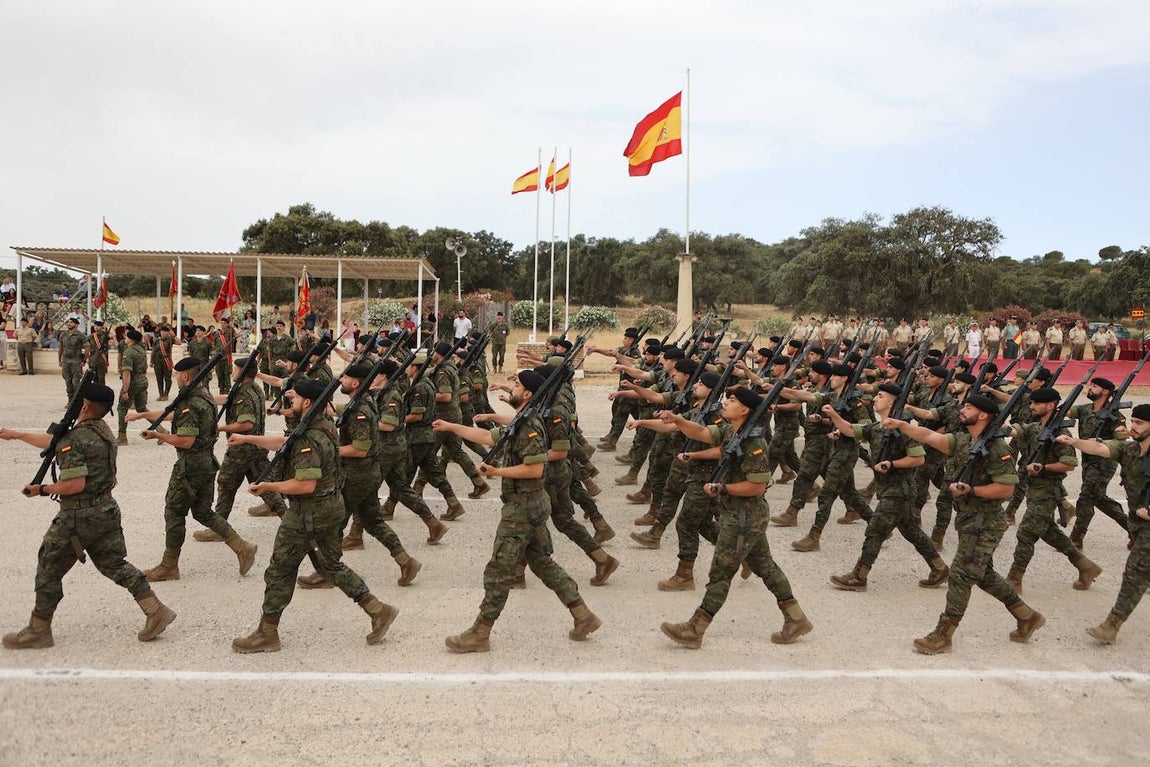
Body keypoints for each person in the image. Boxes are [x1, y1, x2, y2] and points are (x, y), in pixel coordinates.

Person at [434, 369, 601, 653]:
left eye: (517, 384)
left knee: (499, 568)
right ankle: (583, 615)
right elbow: (488, 437)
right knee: (542, 563)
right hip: (527, 503)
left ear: (527, 394)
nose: (512, 386)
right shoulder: (521, 421)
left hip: (523, 506)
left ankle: (480, 631)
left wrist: (496, 470)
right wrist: (452, 426)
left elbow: (534, 468)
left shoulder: (530, 425)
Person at [0, 382, 176, 649]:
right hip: (105, 511)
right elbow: (56, 442)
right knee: (115, 565)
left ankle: (38, 629)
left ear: (83, 406)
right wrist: (17, 435)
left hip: (79, 516)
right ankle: (156, 610)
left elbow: (74, 484)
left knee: (48, 567)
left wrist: (42, 489)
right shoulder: (101, 431)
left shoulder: (76, 439)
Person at [231, 378, 398, 652]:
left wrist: (268, 487)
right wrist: (249, 438)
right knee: (330, 566)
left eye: (295, 399)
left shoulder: (309, 437)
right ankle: (378, 610)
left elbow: (304, 483)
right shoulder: (322, 426)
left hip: (307, 513)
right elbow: (285, 443)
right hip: (331, 508)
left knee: (279, 570)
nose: (291, 403)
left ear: (307, 402)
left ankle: (267, 633)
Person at [884, 395, 1045, 654]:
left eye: (969, 408)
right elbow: (929, 436)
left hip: (986, 522)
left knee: (960, 574)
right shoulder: (963, 440)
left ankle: (943, 635)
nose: (963, 410)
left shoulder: (997, 449)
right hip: (968, 519)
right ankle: (1026, 616)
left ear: (983, 415)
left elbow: (1006, 489)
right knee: (982, 574)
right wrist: (901, 425)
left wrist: (972, 490)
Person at [660, 386, 813, 649]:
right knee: (765, 567)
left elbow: (757, 485)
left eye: (732, 400)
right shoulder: (734, 431)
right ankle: (796, 617)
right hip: (740, 513)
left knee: (721, 571)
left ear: (745, 409)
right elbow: (704, 433)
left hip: (744, 515)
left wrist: (722, 488)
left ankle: (696, 628)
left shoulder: (754, 442)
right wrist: (678, 420)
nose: (727, 402)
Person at [126, 357, 259, 582]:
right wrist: (143, 415)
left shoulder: (189, 401)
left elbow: (186, 440)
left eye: (177, 375)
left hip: (191, 467)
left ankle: (169, 566)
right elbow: (172, 414)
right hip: (207, 463)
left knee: (174, 512)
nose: (176, 378)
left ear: (186, 375)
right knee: (203, 511)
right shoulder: (203, 395)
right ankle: (242, 547)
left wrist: (158, 435)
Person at [821, 384, 949, 591]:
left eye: (880, 396)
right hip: (888, 490)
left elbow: (918, 458)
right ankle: (939, 567)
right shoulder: (876, 428)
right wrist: (833, 414)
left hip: (899, 491)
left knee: (875, 531)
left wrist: (893, 464)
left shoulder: (903, 428)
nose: (875, 399)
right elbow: (849, 429)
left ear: (891, 402)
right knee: (911, 531)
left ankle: (859, 576)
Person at [1056, 404, 1150, 645]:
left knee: (1135, 573)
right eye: (1133, 421)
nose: (1132, 427)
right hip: (1138, 523)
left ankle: (1112, 625)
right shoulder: (1129, 450)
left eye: (1139, 423)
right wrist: (1074, 441)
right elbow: (1099, 447)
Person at [1003, 387, 1101, 594]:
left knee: (1026, 532)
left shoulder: (1060, 432)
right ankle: (1086, 566)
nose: (1032, 406)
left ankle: (1015, 578)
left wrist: (1043, 468)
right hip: (1034, 489)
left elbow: (1069, 463)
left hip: (1048, 490)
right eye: (1031, 403)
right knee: (1049, 532)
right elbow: (1017, 430)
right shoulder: (1035, 426)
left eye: (1036, 403)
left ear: (1050, 405)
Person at [191, 356, 287, 543]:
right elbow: (228, 398)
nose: (231, 372)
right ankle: (290, 520)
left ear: (243, 372)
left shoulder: (243, 393)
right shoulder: (254, 388)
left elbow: (246, 424)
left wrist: (218, 428)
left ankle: (219, 528)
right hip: (256, 447)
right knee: (264, 487)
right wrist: (204, 397)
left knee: (226, 484)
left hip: (242, 450)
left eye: (235, 369)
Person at [116, 329, 150, 445]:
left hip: (133, 382)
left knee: (122, 409)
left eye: (127, 337)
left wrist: (125, 390)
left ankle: (122, 437)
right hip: (143, 380)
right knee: (142, 409)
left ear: (130, 339)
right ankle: (161, 429)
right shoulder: (141, 350)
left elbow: (126, 373)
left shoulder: (129, 352)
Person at [57, 317, 87, 401]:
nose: (69, 324)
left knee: (76, 383)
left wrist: (84, 360)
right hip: (66, 361)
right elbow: (60, 348)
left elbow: (87, 347)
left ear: (76, 325)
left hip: (76, 362)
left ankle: (77, 400)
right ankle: (70, 400)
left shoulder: (80, 335)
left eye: (71, 322)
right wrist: (59, 360)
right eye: (68, 322)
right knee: (68, 382)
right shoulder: (63, 334)